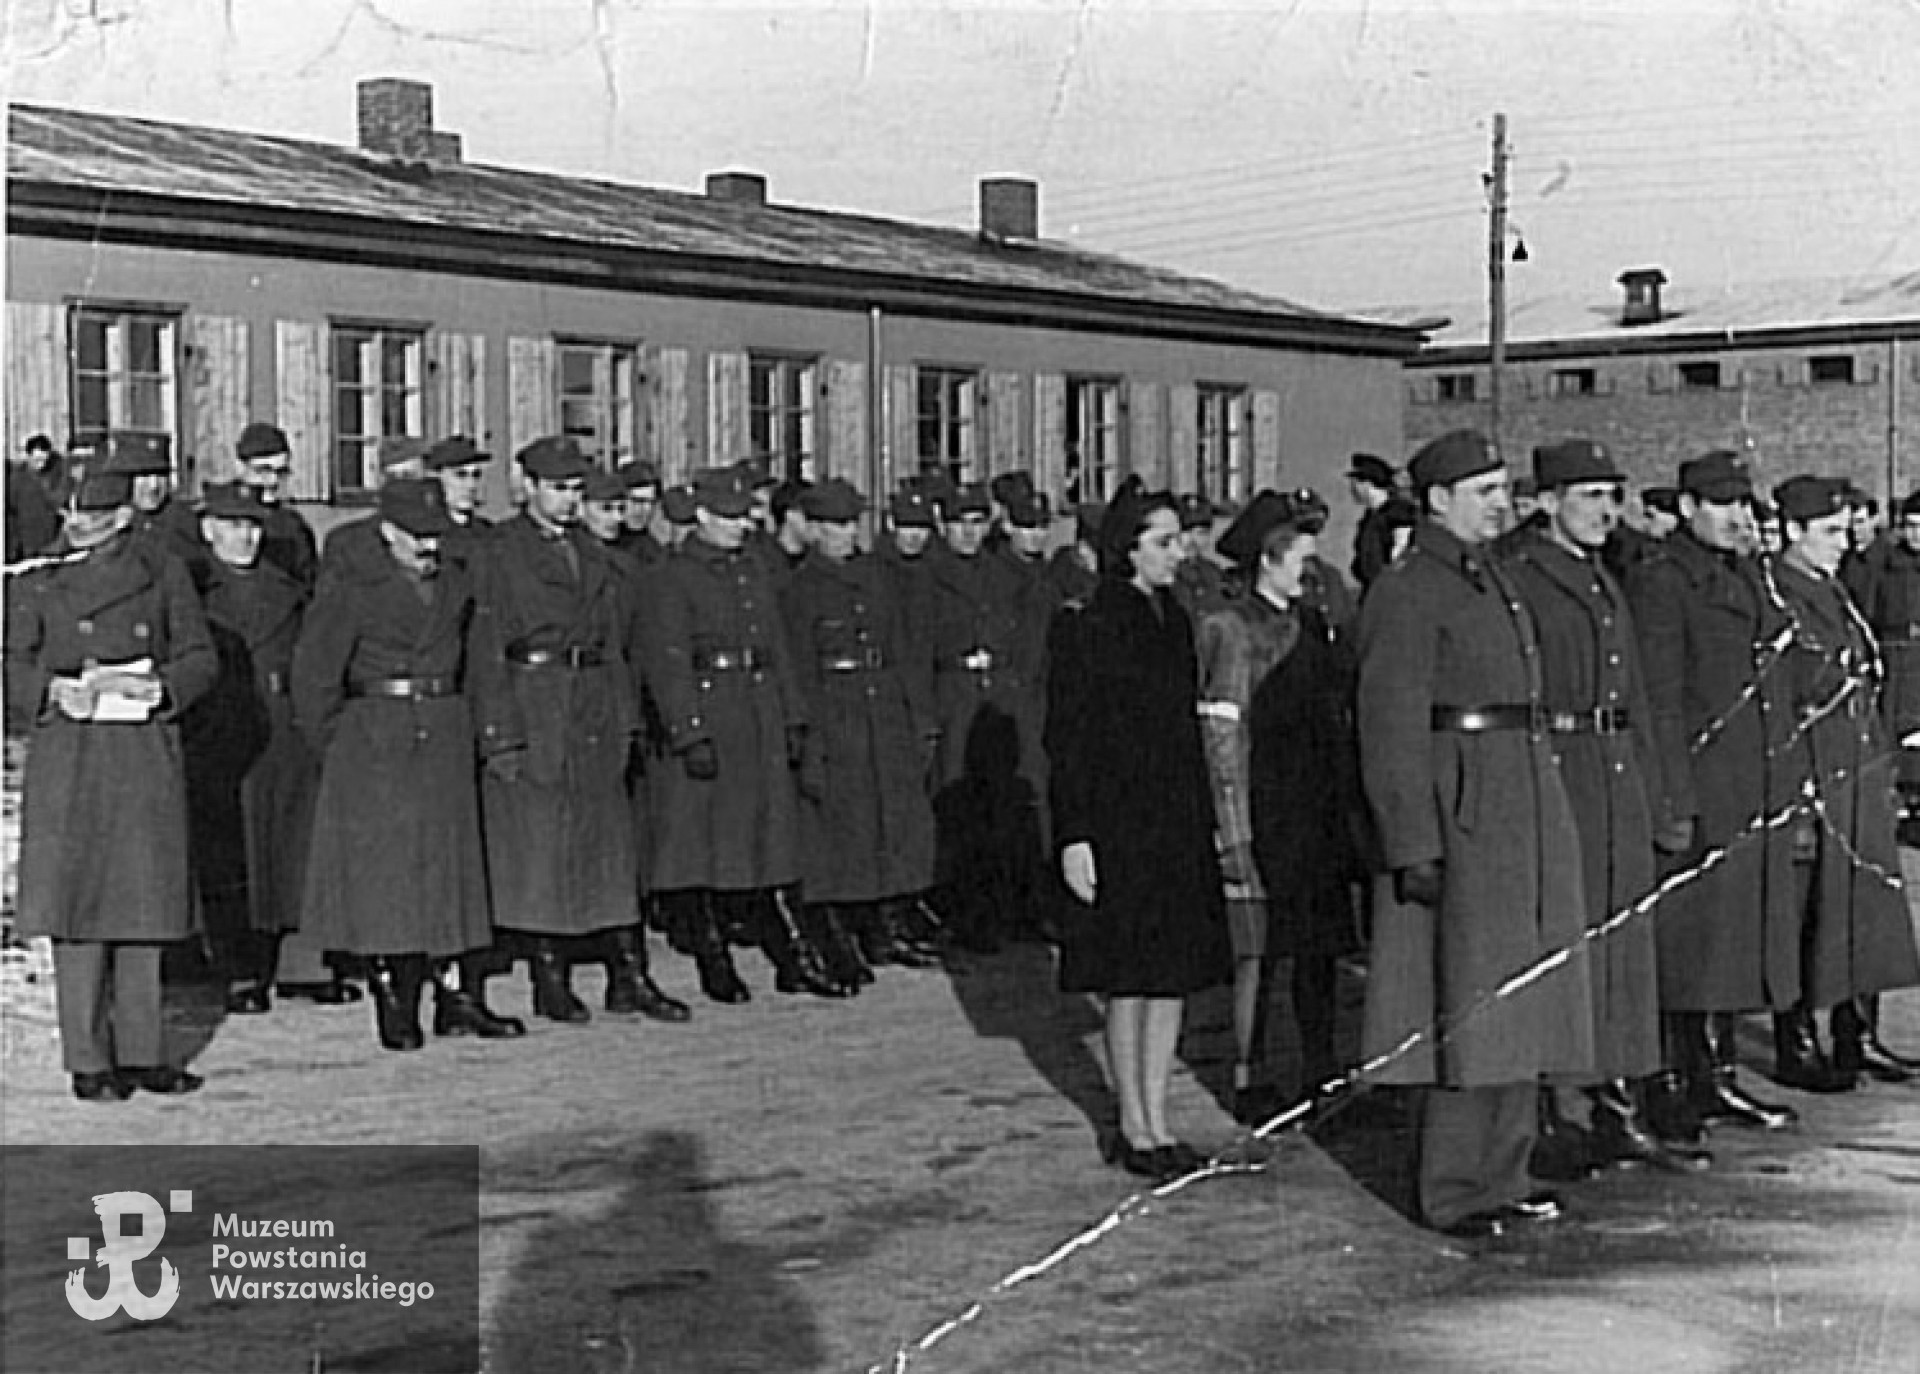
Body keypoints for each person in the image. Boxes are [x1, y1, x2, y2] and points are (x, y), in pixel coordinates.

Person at [1356, 429, 1594, 1239]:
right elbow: (1386, 727)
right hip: (1464, 811)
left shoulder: (1492, 578)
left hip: (1520, 797)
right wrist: (1411, 842)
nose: (1502, 502)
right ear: (1437, 500)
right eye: (1482, 489)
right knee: (1467, 998)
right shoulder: (1410, 588)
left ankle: (1507, 1171)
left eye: (1503, 486)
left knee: (1522, 992)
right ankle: (1454, 1188)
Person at [1502, 440, 1708, 1175]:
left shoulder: (1605, 576)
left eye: (1611, 495)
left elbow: (1638, 698)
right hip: (1564, 780)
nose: (1606, 511)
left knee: (1622, 953)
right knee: (1566, 949)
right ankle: (1554, 1115)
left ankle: (1614, 1109)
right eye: (1588, 495)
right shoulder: (1520, 576)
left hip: (1617, 778)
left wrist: (1664, 795)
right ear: (1546, 502)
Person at [6, 465, 216, 1099]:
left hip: (142, 749)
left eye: (94, 518)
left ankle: (146, 1053)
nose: (79, 529)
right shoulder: (41, 578)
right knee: (80, 907)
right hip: (71, 753)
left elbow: (199, 655)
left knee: (144, 900)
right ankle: (88, 1059)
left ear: (123, 518)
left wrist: (164, 689)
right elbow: (10, 662)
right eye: (73, 516)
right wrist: (50, 691)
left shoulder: (162, 571)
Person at [293, 478, 518, 1050]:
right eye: (415, 535)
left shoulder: (459, 587)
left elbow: (481, 666)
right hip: (375, 738)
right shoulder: (352, 589)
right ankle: (395, 997)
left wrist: (487, 734)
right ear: (387, 531)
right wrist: (343, 745)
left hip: (443, 732)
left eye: (434, 535)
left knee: (449, 869)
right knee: (388, 878)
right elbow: (314, 680)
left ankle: (458, 998)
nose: (427, 547)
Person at [1048, 476, 1230, 1182]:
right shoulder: (1087, 625)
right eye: (1162, 542)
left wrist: (1206, 821)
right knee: (1130, 980)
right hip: (1118, 823)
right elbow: (1069, 740)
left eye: (1177, 540)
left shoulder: (1174, 620)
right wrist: (1076, 836)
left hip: (1174, 819)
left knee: (1171, 978)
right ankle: (1132, 1125)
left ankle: (1160, 1117)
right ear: (1126, 550)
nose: (1178, 552)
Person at [1627, 451, 1801, 1137]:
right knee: (1688, 947)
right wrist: (1672, 801)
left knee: (1730, 944)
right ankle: (1672, 1086)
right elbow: (1661, 703)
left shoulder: (1742, 576)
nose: (1739, 518)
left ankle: (1716, 1076)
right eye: (1723, 506)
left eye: (1744, 506)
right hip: (1700, 791)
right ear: (1688, 508)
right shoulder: (1664, 582)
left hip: (1748, 786)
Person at [638, 466, 847, 1002]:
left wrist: (793, 717)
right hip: (711, 713)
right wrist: (688, 731)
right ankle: (713, 956)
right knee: (702, 845)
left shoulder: (752, 569)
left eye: (744, 517)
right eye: (728, 518)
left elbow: (779, 649)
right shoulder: (672, 575)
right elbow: (667, 661)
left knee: (771, 841)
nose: (740, 526)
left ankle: (794, 955)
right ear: (703, 516)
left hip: (758, 712)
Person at [469, 438, 651, 1023]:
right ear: (526, 486)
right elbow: (485, 649)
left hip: (592, 705)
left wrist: (624, 720)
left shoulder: (595, 554)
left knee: (605, 845)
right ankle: (550, 976)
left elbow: (617, 646)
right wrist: (499, 733)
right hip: (534, 700)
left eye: (576, 489)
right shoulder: (500, 552)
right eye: (556, 488)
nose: (569, 501)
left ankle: (628, 977)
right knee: (540, 849)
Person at [1199, 490, 1363, 1124]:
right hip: (1266, 815)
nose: (1310, 567)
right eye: (1298, 554)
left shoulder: (1314, 626)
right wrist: (1232, 834)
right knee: (1259, 952)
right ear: (1266, 559)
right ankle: (1250, 1075)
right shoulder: (1231, 629)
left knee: (1319, 948)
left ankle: (1321, 1067)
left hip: (1315, 813)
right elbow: (1222, 739)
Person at [1770, 476, 1920, 1085]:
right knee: (1808, 914)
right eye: (1829, 532)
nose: (1844, 541)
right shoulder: (1779, 592)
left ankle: (1858, 1034)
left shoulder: (1834, 590)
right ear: (1791, 532)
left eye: (1845, 529)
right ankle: (1798, 1041)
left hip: (1858, 766)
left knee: (1867, 905)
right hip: (1815, 771)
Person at [780, 478, 943, 981]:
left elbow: (904, 650)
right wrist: (803, 731)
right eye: (833, 526)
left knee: (890, 818)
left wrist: (920, 718)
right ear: (812, 529)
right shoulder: (799, 587)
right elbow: (796, 664)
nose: (845, 535)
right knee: (841, 826)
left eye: (851, 523)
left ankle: (887, 925)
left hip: (883, 706)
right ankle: (842, 930)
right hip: (835, 710)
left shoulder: (879, 579)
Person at [181, 481, 319, 1017]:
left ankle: (289, 963)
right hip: (219, 735)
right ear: (208, 529)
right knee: (227, 852)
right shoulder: (193, 591)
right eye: (232, 524)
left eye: (253, 524)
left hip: (280, 733)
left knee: (284, 847)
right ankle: (235, 967)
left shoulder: (285, 589)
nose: (245, 536)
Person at [576, 463, 692, 1022]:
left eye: (621, 508)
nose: (616, 518)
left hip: (620, 709)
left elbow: (646, 646)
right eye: (605, 507)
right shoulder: (566, 562)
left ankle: (629, 972)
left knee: (620, 847)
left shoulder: (636, 566)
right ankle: (559, 969)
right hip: (572, 714)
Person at [927, 480, 1046, 951]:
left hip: (999, 697)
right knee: (960, 812)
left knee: (1006, 810)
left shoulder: (1003, 574)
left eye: (977, 523)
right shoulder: (930, 573)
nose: (969, 533)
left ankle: (1010, 911)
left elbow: (1021, 640)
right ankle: (964, 914)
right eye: (960, 523)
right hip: (954, 693)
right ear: (943, 524)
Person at [1843, 489, 1920, 817]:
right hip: (1898, 658)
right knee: (1898, 733)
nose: (1916, 534)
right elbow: (1867, 614)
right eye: (1911, 526)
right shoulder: (1887, 564)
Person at [233, 422, 319, 594]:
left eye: (280, 472)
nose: (272, 481)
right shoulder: (218, 518)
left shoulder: (293, 526)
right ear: (240, 467)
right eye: (263, 471)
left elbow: (309, 584)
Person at [1347, 453, 1398, 590]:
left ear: (1366, 483)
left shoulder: (1397, 516)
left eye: (1355, 484)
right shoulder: (1371, 517)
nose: (1352, 490)